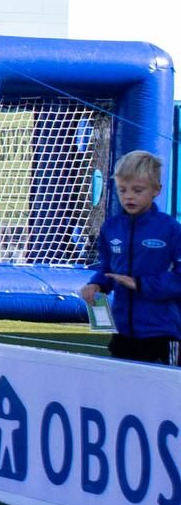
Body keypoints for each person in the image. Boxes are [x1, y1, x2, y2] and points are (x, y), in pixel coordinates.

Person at [84, 148, 180, 366]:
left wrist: (140, 283)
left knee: (160, 387)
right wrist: (96, 285)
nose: (128, 196)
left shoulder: (171, 229)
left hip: (161, 332)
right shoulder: (111, 227)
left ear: (156, 190)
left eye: (137, 190)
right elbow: (107, 269)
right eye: (122, 190)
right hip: (122, 331)